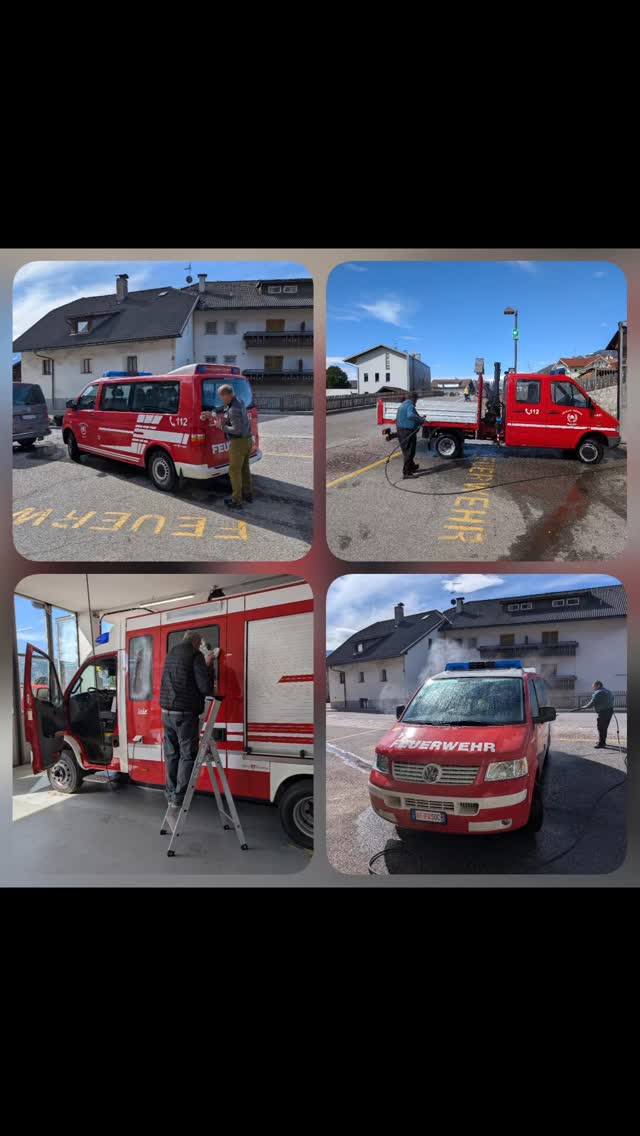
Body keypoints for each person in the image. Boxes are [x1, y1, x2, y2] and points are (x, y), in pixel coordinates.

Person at [160, 630, 220, 815]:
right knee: (187, 755)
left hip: (166, 712)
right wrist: (208, 664)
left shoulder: (172, 653)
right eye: (200, 643)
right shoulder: (195, 655)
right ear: (196, 642)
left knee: (171, 754)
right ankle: (179, 798)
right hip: (184, 715)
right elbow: (205, 688)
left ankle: (170, 793)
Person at [215, 383, 253, 510]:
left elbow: (236, 430)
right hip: (248, 439)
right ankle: (247, 494)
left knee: (234, 471)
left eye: (221, 396)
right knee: (244, 468)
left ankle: (237, 500)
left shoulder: (233, 410)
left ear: (228, 395)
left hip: (238, 442)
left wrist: (221, 426)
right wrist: (213, 412)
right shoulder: (239, 401)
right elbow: (225, 407)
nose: (221, 399)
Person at [576, 680, 615, 749]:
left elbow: (592, 702)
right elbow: (612, 699)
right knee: (605, 727)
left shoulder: (598, 692)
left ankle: (601, 743)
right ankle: (603, 741)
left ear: (598, 685)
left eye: (594, 686)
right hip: (609, 711)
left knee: (600, 728)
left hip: (603, 712)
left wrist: (584, 707)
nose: (593, 688)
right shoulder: (608, 691)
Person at [396, 392, 426, 478]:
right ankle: (406, 473)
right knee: (409, 452)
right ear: (413, 398)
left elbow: (409, 415)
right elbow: (410, 415)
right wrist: (421, 420)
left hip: (402, 430)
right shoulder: (409, 405)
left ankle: (411, 466)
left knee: (409, 451)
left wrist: (420, 417)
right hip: (406, 432)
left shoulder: (404, 404)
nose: (416, 401)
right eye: (416, 399)